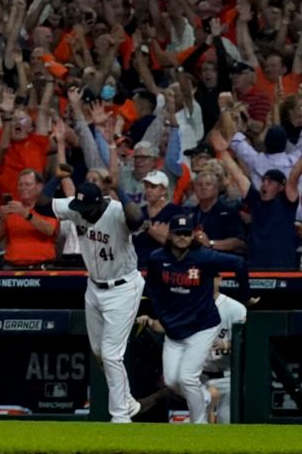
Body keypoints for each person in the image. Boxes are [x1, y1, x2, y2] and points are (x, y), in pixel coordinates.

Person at [38, 181, 145, 422]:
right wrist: (53, 177)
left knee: (111, 354)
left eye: (87, 207)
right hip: (94, 286)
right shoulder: (78, 207)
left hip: (123, 287)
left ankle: (120, 417)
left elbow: (137, 220)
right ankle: (127, 401)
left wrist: (122, 189)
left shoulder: (118, 211)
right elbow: (43, 206)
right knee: (99, 352)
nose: (81, 211)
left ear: (99, 202)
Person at [137, 213, 251, 424]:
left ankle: (198, 425)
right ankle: (206, 397)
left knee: (187, 377)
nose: (182, 237)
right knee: (171, 381)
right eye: (178, 233)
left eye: (186, 233)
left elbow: (239, 263)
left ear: (193, 235)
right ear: (170, 235)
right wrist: (155, 312)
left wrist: (245, 296)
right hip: (175, 328)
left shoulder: (204, 257)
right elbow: (151, 287)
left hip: (202, 327)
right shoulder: (157, 258)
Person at [202, 276, 249, 424]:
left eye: (211, 276)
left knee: (226, 425)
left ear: (219, 279)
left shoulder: (235, 308)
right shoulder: (190, 305)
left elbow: (249, 343)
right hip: (199, 378)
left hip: (227, 378)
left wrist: (229, 345)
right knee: (198, 431)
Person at [0, 169, 59, 268]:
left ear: (39, 187)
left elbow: (49, 230)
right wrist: (2, 219)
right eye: (20, 185)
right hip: (12, 267)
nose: (23, 188)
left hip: (42, 267)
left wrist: (25, 214)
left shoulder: (49, 207)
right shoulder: (12, 208)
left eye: (27, 184)